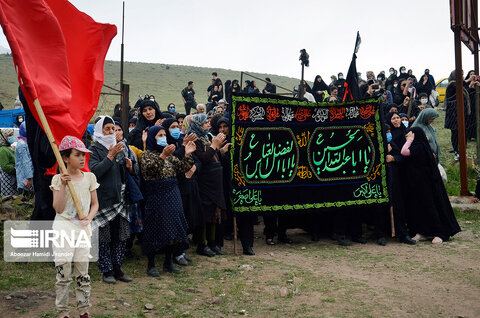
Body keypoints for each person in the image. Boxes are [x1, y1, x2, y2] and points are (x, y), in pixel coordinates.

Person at [50, 136, 99, 318]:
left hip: (82, 231)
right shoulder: (57, 180)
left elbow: (95, 204)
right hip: (63, 230)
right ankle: (63, 312)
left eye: (83, 155)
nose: (82, 159)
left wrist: (89, 217)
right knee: (63, 274)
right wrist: (63, 185)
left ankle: (84, 309)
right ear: (65, 158)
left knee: (83, 273)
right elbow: (59, 208)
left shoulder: (89, 177)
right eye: (77, 155)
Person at [141, 125, 196, 276]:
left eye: (164, 134)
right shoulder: (147, 155)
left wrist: (187, 155)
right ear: (153, 138)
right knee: (155, 229)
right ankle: (151, 265)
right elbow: (149, 170)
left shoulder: (171, 156)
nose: (163, 137)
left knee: (173, 228)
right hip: (156, 195)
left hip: (172, 193)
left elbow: (183, 167)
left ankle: (168, 263)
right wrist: (163, 156)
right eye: (159, 135)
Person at [89, 116, 133, 284]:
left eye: (113, 129)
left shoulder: (119, 147)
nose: (111, 132)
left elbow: (129, 171)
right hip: (103, 201)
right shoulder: (93, 149)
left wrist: (130, 167)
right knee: (104, 238)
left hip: (120, 199)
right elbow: (94, 173)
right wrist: (109, 157)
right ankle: (106, 271)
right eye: (107, 129)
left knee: (120, 236)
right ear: (99, 131)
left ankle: (117, 268)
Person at [401, 127, 461, 243]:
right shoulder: (416, 146)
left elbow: (404, 152)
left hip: (427, 185)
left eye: (409, 134)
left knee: (431, 207)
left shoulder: (419, 146)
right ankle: (422, 232)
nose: (407, 136)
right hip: (417, 185)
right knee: (419, 208)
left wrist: (410, 140)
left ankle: (440, 233)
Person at [188, 114, 231, 256]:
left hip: (215, 181)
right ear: (197, 125)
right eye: (204, 122)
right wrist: (214, 146)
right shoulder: (195, 140)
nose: (207, 124)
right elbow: (204, 159)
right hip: (205, 182)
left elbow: (213, 155)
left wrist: (221, 150)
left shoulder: (205, 138)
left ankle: (213, 243)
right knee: (205, 214)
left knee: (215, 212)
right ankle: (202, 245)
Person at [385, 112, 416, 245]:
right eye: (394, 118)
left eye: (398, 118)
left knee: (404, 203)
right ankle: (394, 233)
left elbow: (408, 154)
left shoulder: (405, 133)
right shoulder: (387, 136)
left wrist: (395, 157)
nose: (397, 120)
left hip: (404, 172)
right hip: (391, 173)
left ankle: (407, 232)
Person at [114, 122, 143, 260]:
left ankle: (128, 248)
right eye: (114, 130)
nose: (117, 133)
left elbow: (136, 170)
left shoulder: (128, 148)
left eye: (120, 129)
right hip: (116, 190)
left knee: (131, 220)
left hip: (130, 191)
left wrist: (130, 168)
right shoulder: (107, 149)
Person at [444, 70, 470, 160]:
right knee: (455, 133)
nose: (462, 76)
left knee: (464, 133)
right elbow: (459, 86)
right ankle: (456, 152)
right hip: (454, 114)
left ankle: (462, 151)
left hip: (461, 113)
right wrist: (468, 80)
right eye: (460, 75)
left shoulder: (458, 84)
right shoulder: (452, 84)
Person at [15, 122, 34, 195]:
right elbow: (26, 161)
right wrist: (29, 178)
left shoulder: (26, 142)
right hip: (25, 179)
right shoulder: (22, 144)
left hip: (28, 177)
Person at [0, 128, 17, 196]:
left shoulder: (9, 147)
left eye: (12, 135)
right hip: (8, 178)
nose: (12, 137)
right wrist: (16, 169)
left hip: (13, 177)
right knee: (9, 197)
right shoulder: (3, 150)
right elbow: (5, 167)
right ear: (4, 137)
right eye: (10, 135)